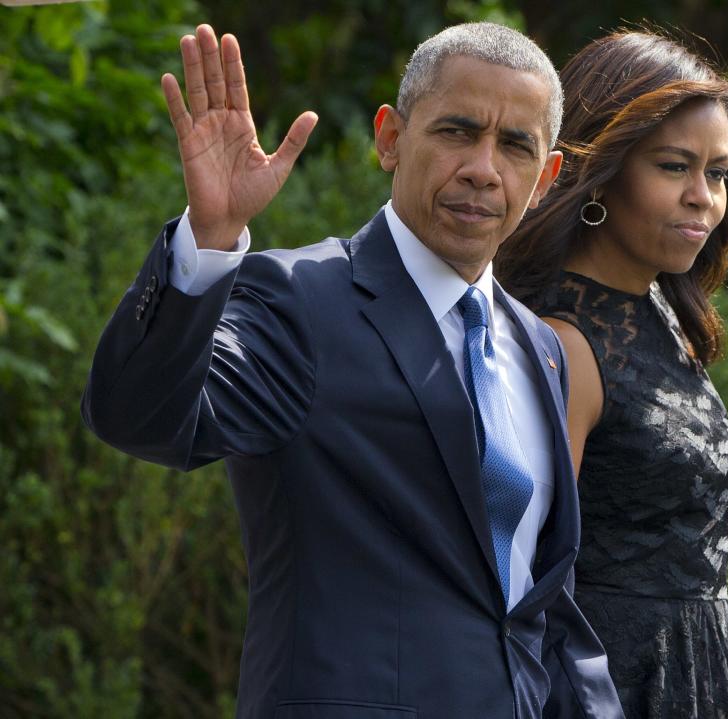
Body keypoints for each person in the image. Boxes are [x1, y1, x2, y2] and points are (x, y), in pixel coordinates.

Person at [81, 22, 624, 719]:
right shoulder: (300, 298)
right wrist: (208, 240)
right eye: (457, 131)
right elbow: (139, 418)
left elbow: (539, 602)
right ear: (390, 138)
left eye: (515, 146)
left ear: (546, 178)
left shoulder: (539, 347)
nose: (483, 169)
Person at [496, 30, 728, 719]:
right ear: (601, 171)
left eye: (719, 172)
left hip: (696, 677)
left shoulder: (661, 312)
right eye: (674, 167)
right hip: (608, 686)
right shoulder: (563, 342)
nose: (703, 197)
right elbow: (522, 585)